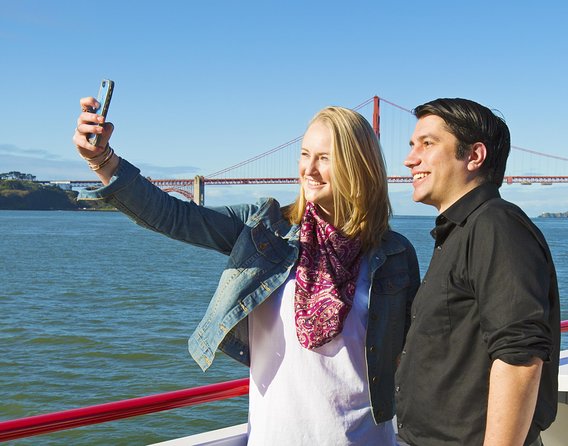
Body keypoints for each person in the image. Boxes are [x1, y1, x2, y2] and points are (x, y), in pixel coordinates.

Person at [73, 97, 420, 445]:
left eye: (325, 158)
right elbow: (173, 216)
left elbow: (413, 358)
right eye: (305, 154)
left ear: (358, 166)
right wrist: (103, 161)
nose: (309, 169)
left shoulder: (395, 254)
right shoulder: (264, 228)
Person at [395, 98, 560, 446]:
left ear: (474, 156)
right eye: (412, 145)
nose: (410, 159)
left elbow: (519, 355)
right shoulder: (462, 230)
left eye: (427, 143)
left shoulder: (496, 225)